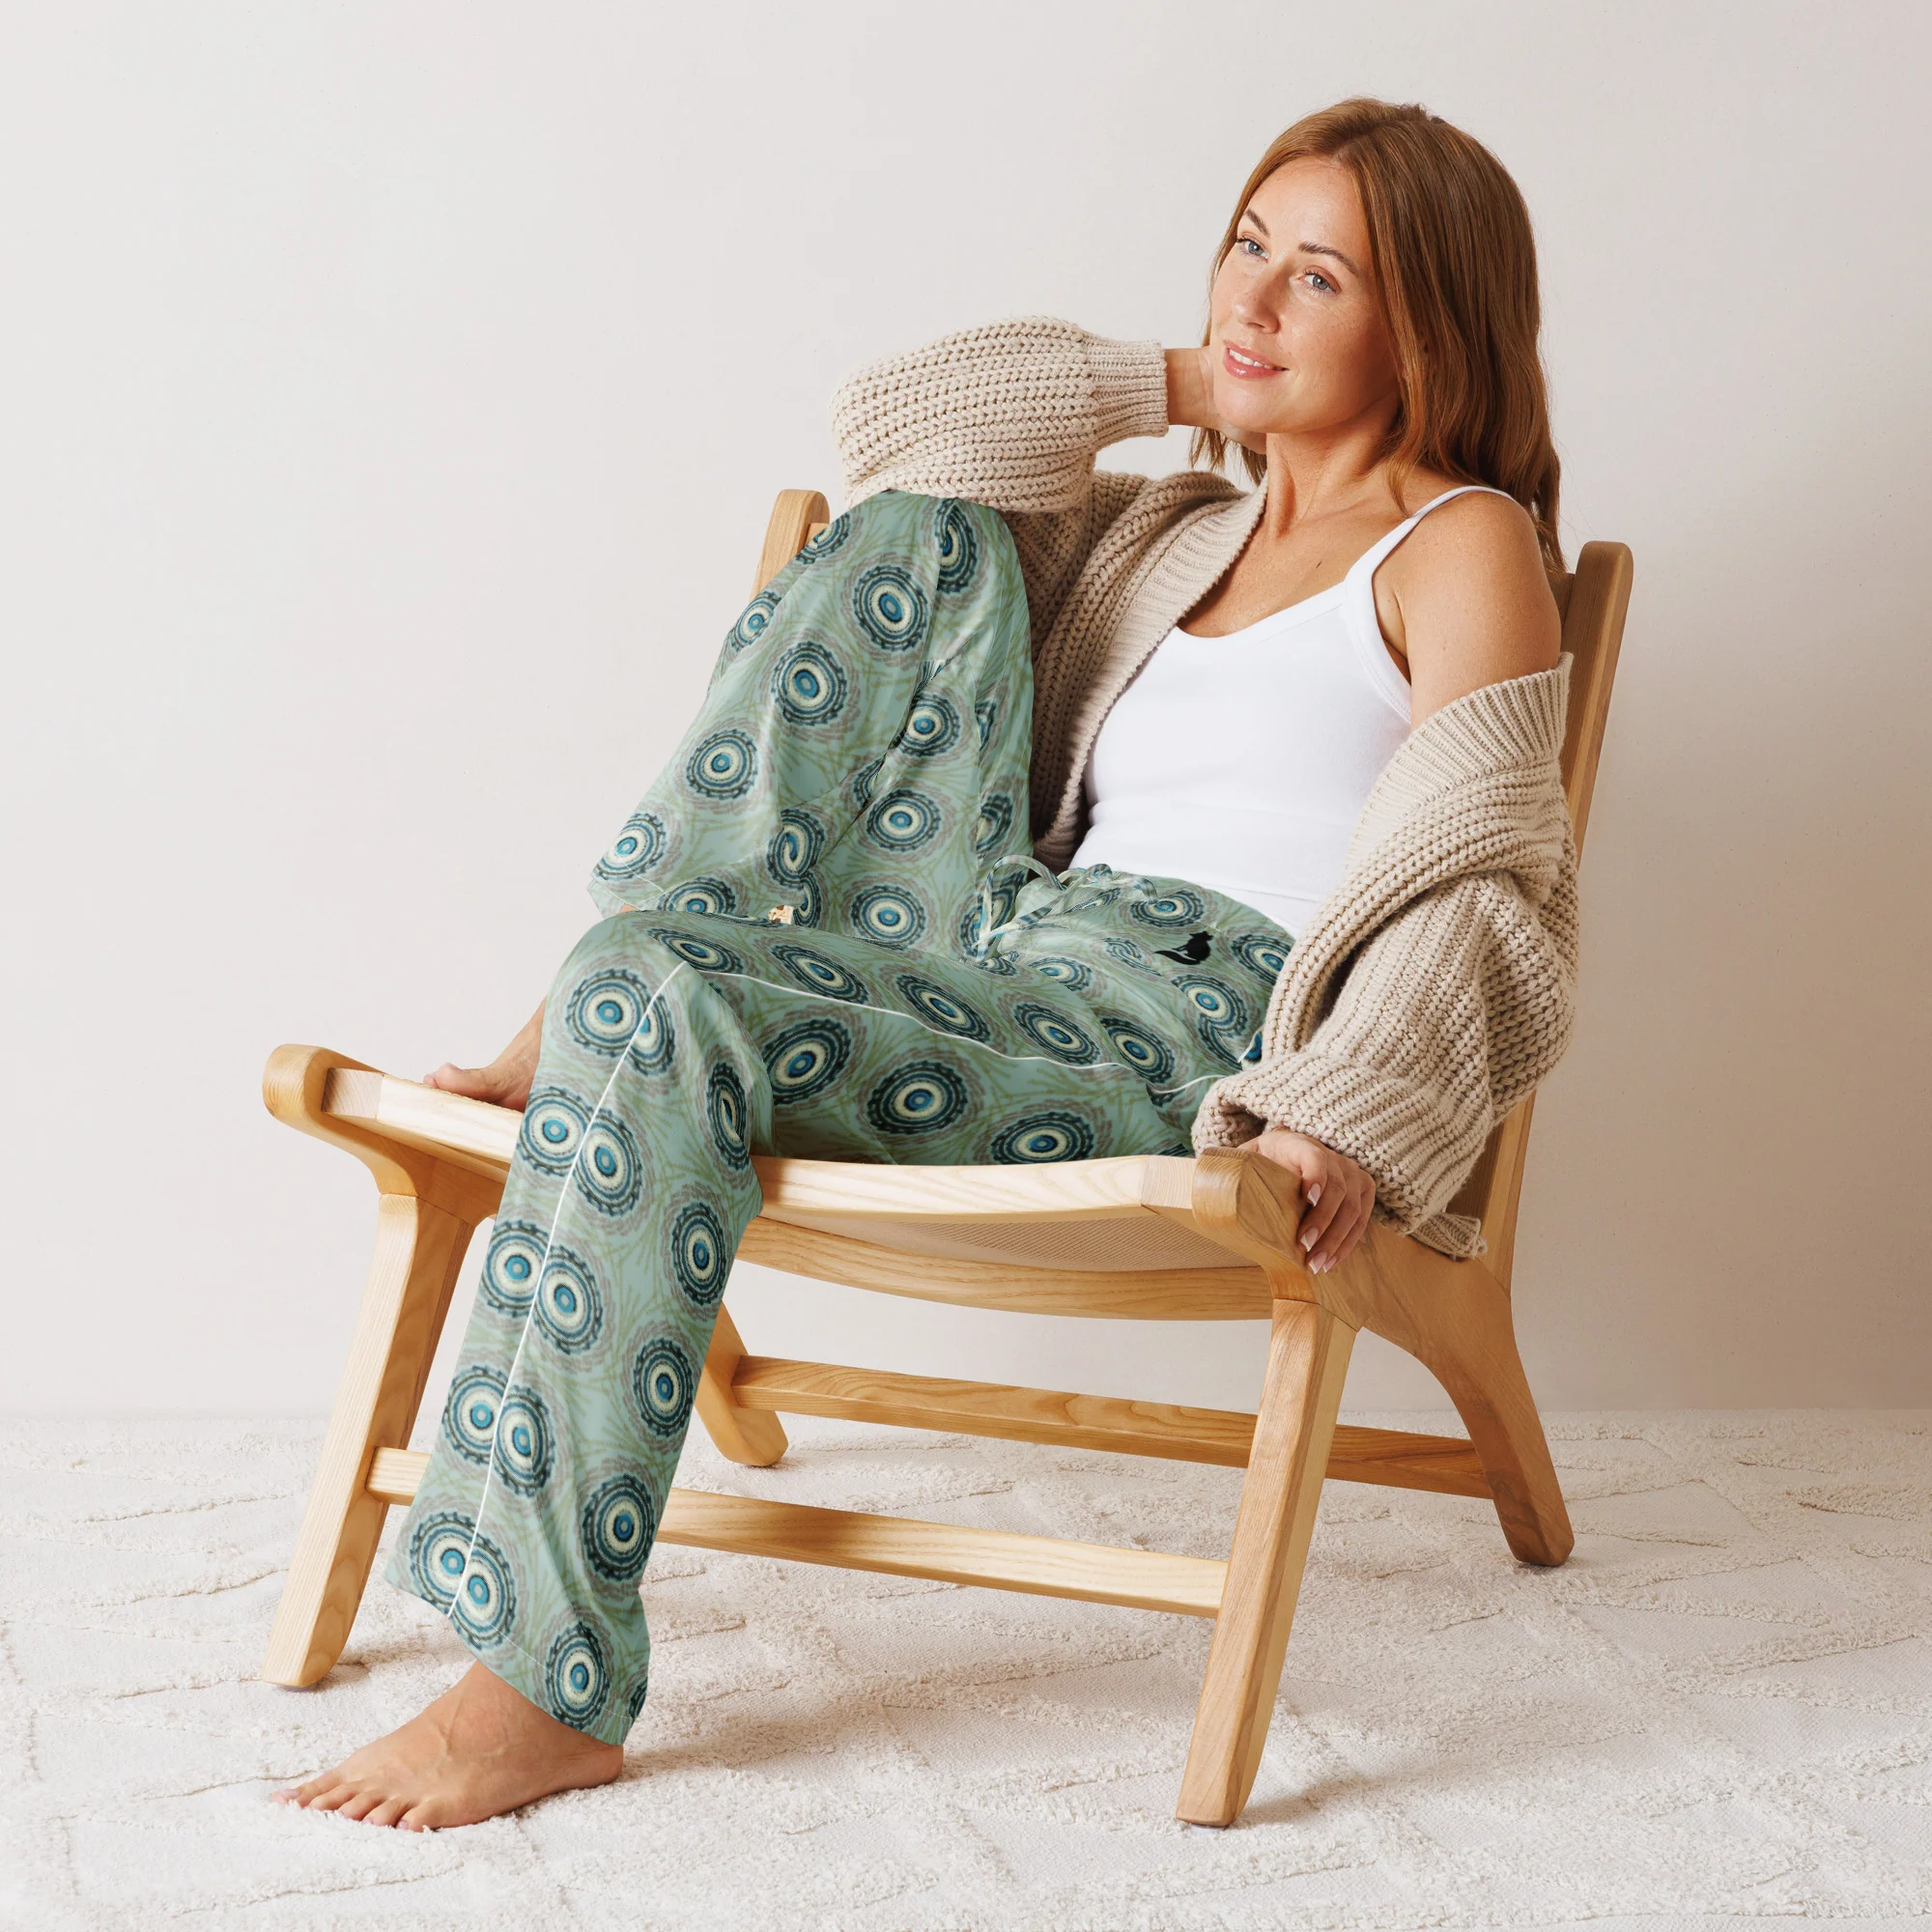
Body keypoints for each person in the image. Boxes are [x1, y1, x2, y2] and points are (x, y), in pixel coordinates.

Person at [274, 96, 1577, 1831]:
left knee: (647, 992)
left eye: (1319, 277)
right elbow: (899, 427)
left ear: (1428, 329)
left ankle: (535, 1686)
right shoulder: (1170, 527)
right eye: (1246, 246)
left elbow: (1484, 883)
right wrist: (1186, 381)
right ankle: (600, 1004)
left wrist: (1339, 1104)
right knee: (917, 526)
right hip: (998, 950)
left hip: (1186, 1026)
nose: (1254, 298)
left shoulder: (1461, 541)